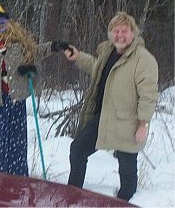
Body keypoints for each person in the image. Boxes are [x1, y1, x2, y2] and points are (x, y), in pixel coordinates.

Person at [63, 12, 158, 201]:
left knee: (127, 165)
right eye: (116, 31)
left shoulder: (143, 59)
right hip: (104, 117)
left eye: (125, 31)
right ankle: (72, 195)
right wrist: (78, 57)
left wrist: (143, 123)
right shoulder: (109, 52)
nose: (120, 35)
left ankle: (127, 201)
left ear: (133, 33)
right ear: (110, 33)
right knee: (78, 149)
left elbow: (148, 95)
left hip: (128, 121)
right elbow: (96, 67)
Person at [0, 2, 68, 177]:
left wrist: (53, 46)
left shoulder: (18, 47)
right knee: (1, 143)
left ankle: (19, 177)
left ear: (7, 23)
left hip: (17, 101)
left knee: (17, 141)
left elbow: (37, 52)